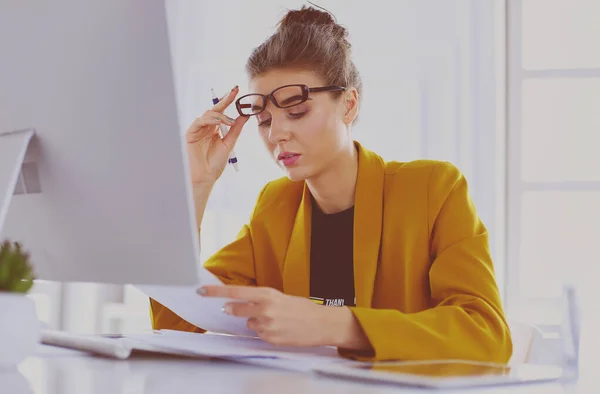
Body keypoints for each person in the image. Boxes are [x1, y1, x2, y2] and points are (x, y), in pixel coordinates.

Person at [150, 5, 512, 363]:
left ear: (349, 105)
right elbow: (176, 323)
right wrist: (197, 185)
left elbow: (486, 334)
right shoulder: (276, 207)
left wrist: (338, 324)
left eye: (297, 112)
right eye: (263, 119)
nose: (276, 134)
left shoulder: (433, 189)